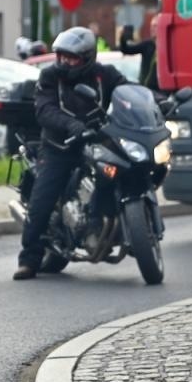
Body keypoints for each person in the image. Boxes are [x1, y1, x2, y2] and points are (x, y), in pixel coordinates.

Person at [13, 26, 129, 280]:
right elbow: (45, 109)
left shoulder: (105, 75)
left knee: (120, 172)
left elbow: (128, 92)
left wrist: (156, 101)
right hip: (60, 146)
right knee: (43, 199)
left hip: (97, 142)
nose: (65, 62)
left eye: (72, 57)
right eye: (62, 56)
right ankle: (29, 259)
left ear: (87, 57)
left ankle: (103, 222)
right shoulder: (50, 76)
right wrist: (71, 125)